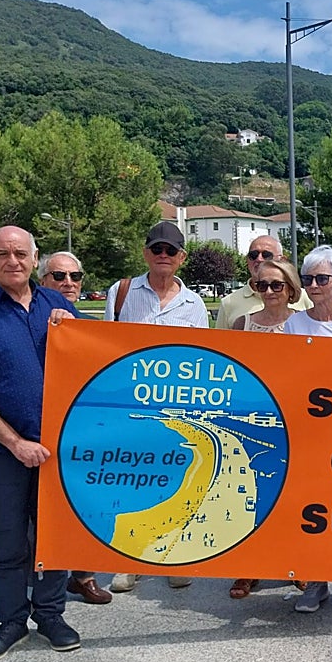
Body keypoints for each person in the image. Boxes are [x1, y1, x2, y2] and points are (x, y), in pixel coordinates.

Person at [0, 226, 84, 662]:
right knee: (10, 540)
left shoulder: (58, 307)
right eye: (3, 254)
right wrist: (14, 442)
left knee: (54, 536)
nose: (13, 261)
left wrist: (74, 331)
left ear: (34, 258)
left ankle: (50, 615)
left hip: (57, 450)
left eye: (21, 253)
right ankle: (11, 622)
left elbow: (89, 367)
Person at [106, 221, 209, 593]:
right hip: (132, 410)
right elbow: (106, 349)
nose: (163, 256)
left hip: (177, 415)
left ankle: (172, 555)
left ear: (181, 258)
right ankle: (127, 561)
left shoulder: (195, 304)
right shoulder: (120, 293)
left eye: (171, 251)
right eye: (157, 249)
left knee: (178, 484)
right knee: (132, 483)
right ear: (146, 252)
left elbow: (201, 362)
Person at [282, 245, 332, 613]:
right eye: (308, 278)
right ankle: (314, 582)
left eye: (322, 278)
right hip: (308, 432)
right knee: (310, 507)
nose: (314, 285)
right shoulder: (294, 324)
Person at [38, 251, 113, 607]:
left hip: (83, 431)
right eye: (58, 276)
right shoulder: (35, 316)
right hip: (40, 432)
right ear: (43, 281)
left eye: (75, 276)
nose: (68, 283)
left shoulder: (85, 323)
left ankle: (82, 575)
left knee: (87, 505)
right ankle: (46, 582)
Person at [224, 258, 302, 601]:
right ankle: (248, 566)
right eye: (262, 285)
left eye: (276, 285)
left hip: (296, 419)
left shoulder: (302, 325)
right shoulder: (243, 323)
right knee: (251, 493)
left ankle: (295, 564)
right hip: (252, 418)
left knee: (294, 494)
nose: (269, 291)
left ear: (290, 288)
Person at [215, 234, 311, 329]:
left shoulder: (305, 297)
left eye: (266, 255)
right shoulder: (228, 303)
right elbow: (218, 342)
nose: (259, 259)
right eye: (253, 255)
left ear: (282, 260)